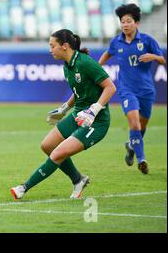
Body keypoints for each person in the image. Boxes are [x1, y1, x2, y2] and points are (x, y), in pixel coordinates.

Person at [10, 29, 116, 200]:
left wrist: (94, 109)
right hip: (78, 115)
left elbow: (110, 87)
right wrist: (64, 108)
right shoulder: (67, 66)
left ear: (65, 46)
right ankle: (78, 180)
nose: (50, 49)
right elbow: (79, 91)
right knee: (47, 146)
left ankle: (24, 187)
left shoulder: (86, 63)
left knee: (58, 153)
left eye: (52, 46)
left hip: (96, 122)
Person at [98, 4, 166, 174]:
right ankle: (141, 160)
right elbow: (107, 54)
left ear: (137, 23)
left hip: (146, 90)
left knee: (142, 125)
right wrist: (96, 69)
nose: (125, 25)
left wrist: (154, 56)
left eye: (128, 21)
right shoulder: (116, 42)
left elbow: (162, 60)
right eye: (122, 22)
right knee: (134, 122)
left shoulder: (147, 40)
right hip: (127, 89)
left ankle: (131, 146)